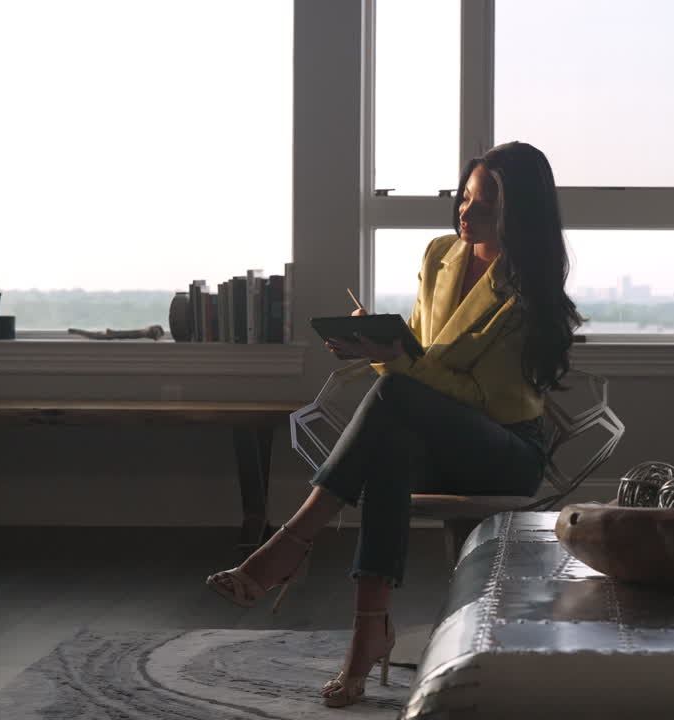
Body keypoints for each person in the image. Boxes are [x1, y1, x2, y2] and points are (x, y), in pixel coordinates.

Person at [205, 141, 579, 707]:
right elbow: (422, 353)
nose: (465, 214)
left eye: (483, 207)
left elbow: (486, 400)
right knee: (391, 445)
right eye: (464, 198)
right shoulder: (440, 255)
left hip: (504, 447)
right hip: (431, 430)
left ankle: (294, 542)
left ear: (518, 215)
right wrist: (375, 344)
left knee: (394, 398)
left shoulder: (527, 294)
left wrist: (396, 362)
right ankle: (368, 633)